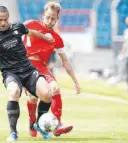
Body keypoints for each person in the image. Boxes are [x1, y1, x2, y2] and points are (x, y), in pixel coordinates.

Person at [0, 6, 55, 141]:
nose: (3, 23)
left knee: (47, 94)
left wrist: (46, 37)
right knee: (14, 92)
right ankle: (13, 132)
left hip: (28, 69)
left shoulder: (17, 27)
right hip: (10, 73)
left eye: (5, 19)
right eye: (0, 20)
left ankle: (38, 124)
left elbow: (32, 33)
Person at [23, 1, 80, 138]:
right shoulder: (31, 24)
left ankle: (58, 124)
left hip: (42, 67)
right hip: (26, 66)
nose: (50, 20)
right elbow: (15, 29)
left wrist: (75, 81)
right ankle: (32, 121)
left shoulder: (56, 38)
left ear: (57, 19)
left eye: (53, 18)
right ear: (43, 15)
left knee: (55, 88)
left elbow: (65, 60)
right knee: (32, 98)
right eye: (47, 17)